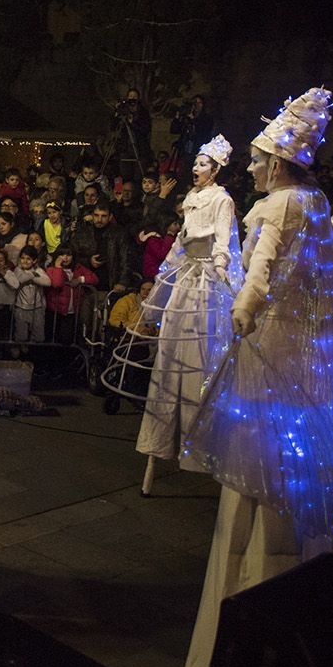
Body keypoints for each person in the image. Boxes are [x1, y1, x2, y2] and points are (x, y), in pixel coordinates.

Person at [179, 88, 333, 667]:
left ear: (277, 164)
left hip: (271, 355)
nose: (250, 169)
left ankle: (239, 611)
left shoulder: (278, 206)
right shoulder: (318, 203)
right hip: (308, 361)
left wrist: (242, 312)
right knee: (295, 465)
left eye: (257, 159)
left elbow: (260, 272)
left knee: (257, 465)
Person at [117, 137, 244, 489]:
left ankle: (202, 444)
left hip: (205, 281)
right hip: (187, 277)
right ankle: (159, 443)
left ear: (216, 170)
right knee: (171, 353)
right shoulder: (191, 198)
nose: (196, 168)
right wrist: (165, 271)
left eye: (203, 164)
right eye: (197, 163)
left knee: (202, 352)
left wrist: (220, 269)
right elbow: (180, 239)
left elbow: (222, 239)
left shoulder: (223, 199)